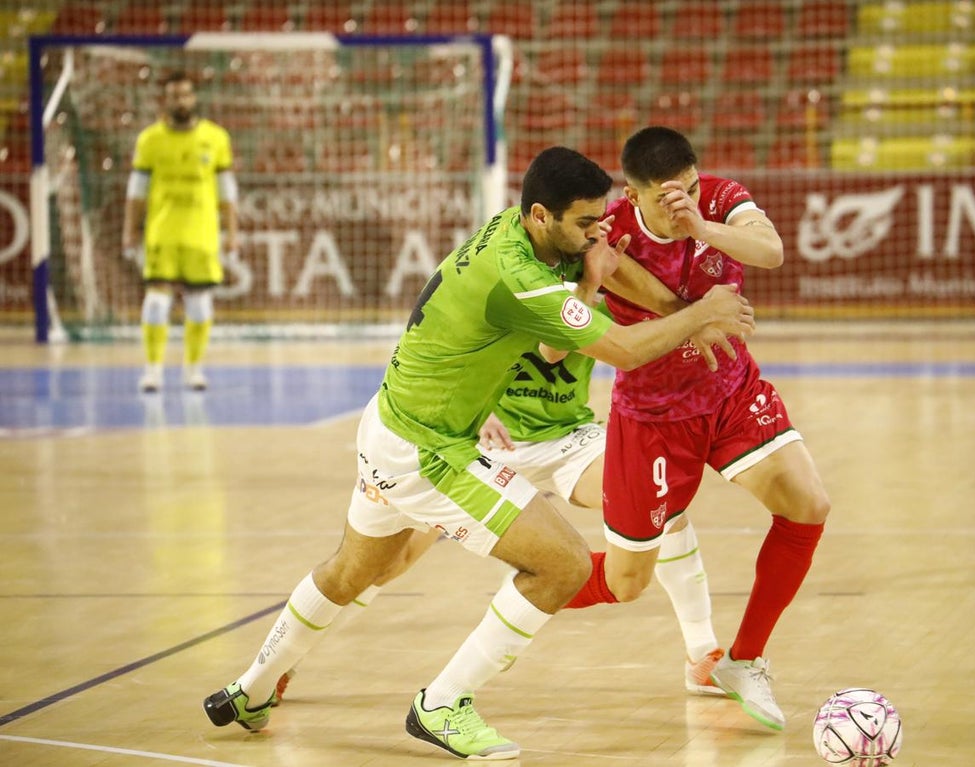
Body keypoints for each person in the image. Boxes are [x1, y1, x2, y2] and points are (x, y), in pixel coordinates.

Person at [201, 146, 755, 761]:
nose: (601, 233)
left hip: (389, 424)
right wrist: (703, 310)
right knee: (564, 563)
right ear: (541, 216)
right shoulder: (524, 280)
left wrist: (593, 277)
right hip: (428, 451)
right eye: (585, 224)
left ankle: (248, 690)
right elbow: (622, 350)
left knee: (354, 571)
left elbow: (525, 326)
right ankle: (442, 704)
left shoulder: (507, 231)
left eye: (603, 219)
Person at [272, 312, 732, 706]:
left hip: (566, 438)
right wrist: (471, 406)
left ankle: (702, 653)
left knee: (660, 502)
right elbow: (434, 355)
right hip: (475, 442)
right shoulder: (508, 279)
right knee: (386, 562)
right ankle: (282, 662)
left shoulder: (603, 274)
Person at [561, 126, 831, 733]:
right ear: (631, 194)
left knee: (809, 503)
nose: (680, 200)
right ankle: (533, 585)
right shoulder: (611, 233)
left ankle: (744, 659)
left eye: (688, 187)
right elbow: (639, 291)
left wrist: (702, 228)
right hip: (654, 417)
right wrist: (696, 318)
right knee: (625, 580)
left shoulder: (719, 199)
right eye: (665, 196)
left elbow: (770, 251)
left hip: (731, 391)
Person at [122, 71, 238, 393]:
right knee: (157, 302)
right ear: (165, 100)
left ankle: (194, 370)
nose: (181, 101)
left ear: (194, 97)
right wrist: (129, 229)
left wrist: (232, 231)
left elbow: (227, 191)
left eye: (186, 94)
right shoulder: (150, 140)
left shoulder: (216, 138)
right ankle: (153, 370)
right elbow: (137, 191)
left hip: (201, 235)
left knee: (199, 304)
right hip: (162, 235)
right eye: (174, 96)